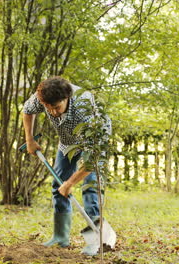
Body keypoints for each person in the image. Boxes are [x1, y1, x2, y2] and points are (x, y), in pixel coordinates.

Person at [22, 76, 111, 249]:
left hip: (94, 142)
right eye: (48, 108)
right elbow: (27, 110)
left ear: (67, 98)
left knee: (90, 188)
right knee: (58, 185)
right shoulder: (43, 96)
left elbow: (92, 158)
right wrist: (30, 139)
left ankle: (97, 241)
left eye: (56, 107)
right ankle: (60, 236)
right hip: (67, 142)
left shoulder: (84, 108)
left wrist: (70, 183)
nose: (53, 113)